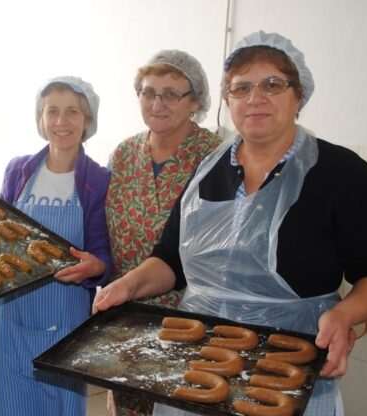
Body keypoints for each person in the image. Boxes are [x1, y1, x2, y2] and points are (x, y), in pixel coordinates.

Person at [93, 31, 367, 416]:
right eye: (240, 88)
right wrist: (127, 285)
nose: (255, 98)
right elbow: (170, 260)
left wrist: (345, 315)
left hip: (288, 368)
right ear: (227, 101)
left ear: (299, 95)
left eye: (272, 85)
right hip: (197, 365)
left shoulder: (341, 173)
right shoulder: (207, 171)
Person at [104, 50, 222, 416]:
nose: (157, 103)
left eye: (171, 93)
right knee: (131, 406)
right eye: (148, 92)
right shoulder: (124, 154)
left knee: (183, 404)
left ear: (196, 101)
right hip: (129, 312)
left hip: (190, 316)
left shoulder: (216, 156)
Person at [0, 75, 112, 415]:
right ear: (40, 119)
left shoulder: (98, 180)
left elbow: (104, 255)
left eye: (72, 112)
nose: (61, 121)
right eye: (52, 111)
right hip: (12, 308)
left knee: (61, 403)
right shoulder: (18, 171)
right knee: (12, 399)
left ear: (87, 119)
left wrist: (95, 267)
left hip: (66, 309)